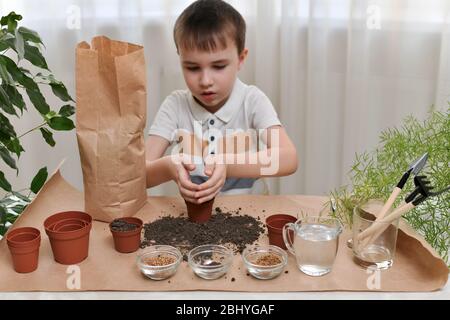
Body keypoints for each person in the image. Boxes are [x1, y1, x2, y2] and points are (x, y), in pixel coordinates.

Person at [145, 0, 298, 204]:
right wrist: (168, 166)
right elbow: (139, 176)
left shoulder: (252, 100)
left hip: (249, 213)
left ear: (241, 59)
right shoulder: (175, 106)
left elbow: (288, 158)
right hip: (193, 218)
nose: (205, 81)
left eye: (218, 66)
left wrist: (226, 163)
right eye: (192, 68)